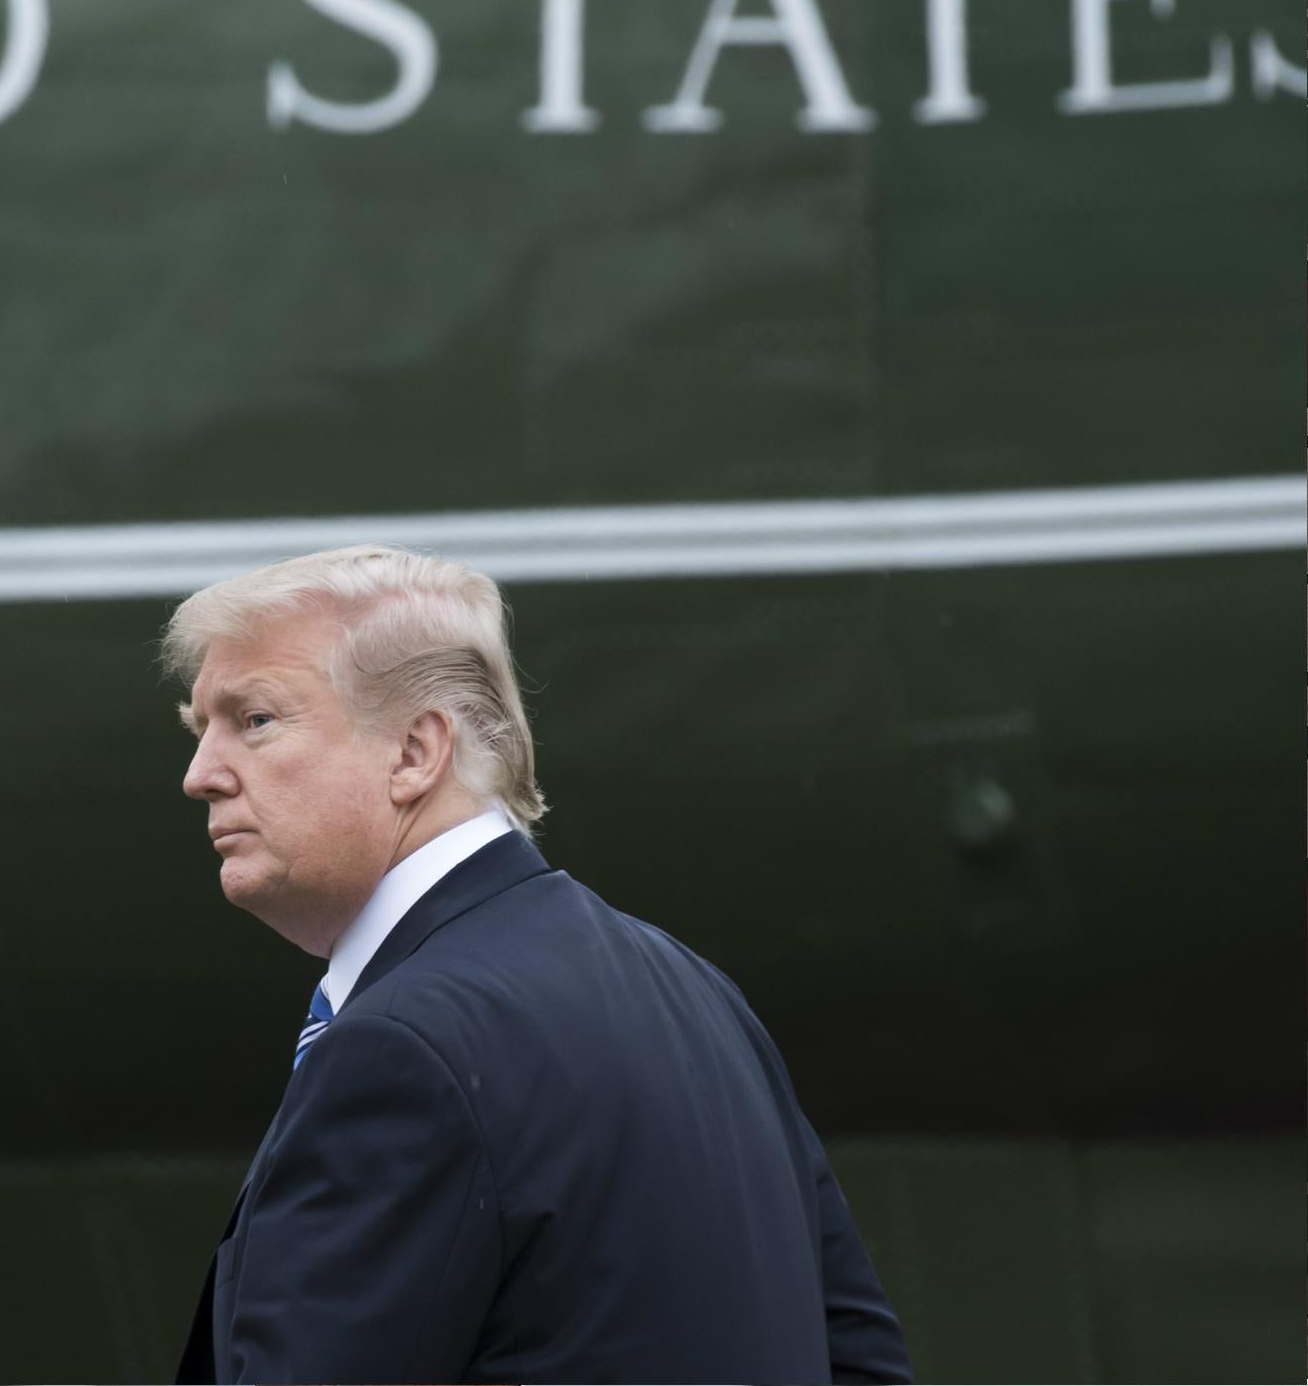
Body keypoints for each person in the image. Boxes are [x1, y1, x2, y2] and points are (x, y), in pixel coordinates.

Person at [161, 544, 912, 1385]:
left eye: (254, 720)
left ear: (414, 753)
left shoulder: (400, 1049)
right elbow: (862, 1365)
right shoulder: (697, 996)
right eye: (200, 731)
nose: (200, 775)